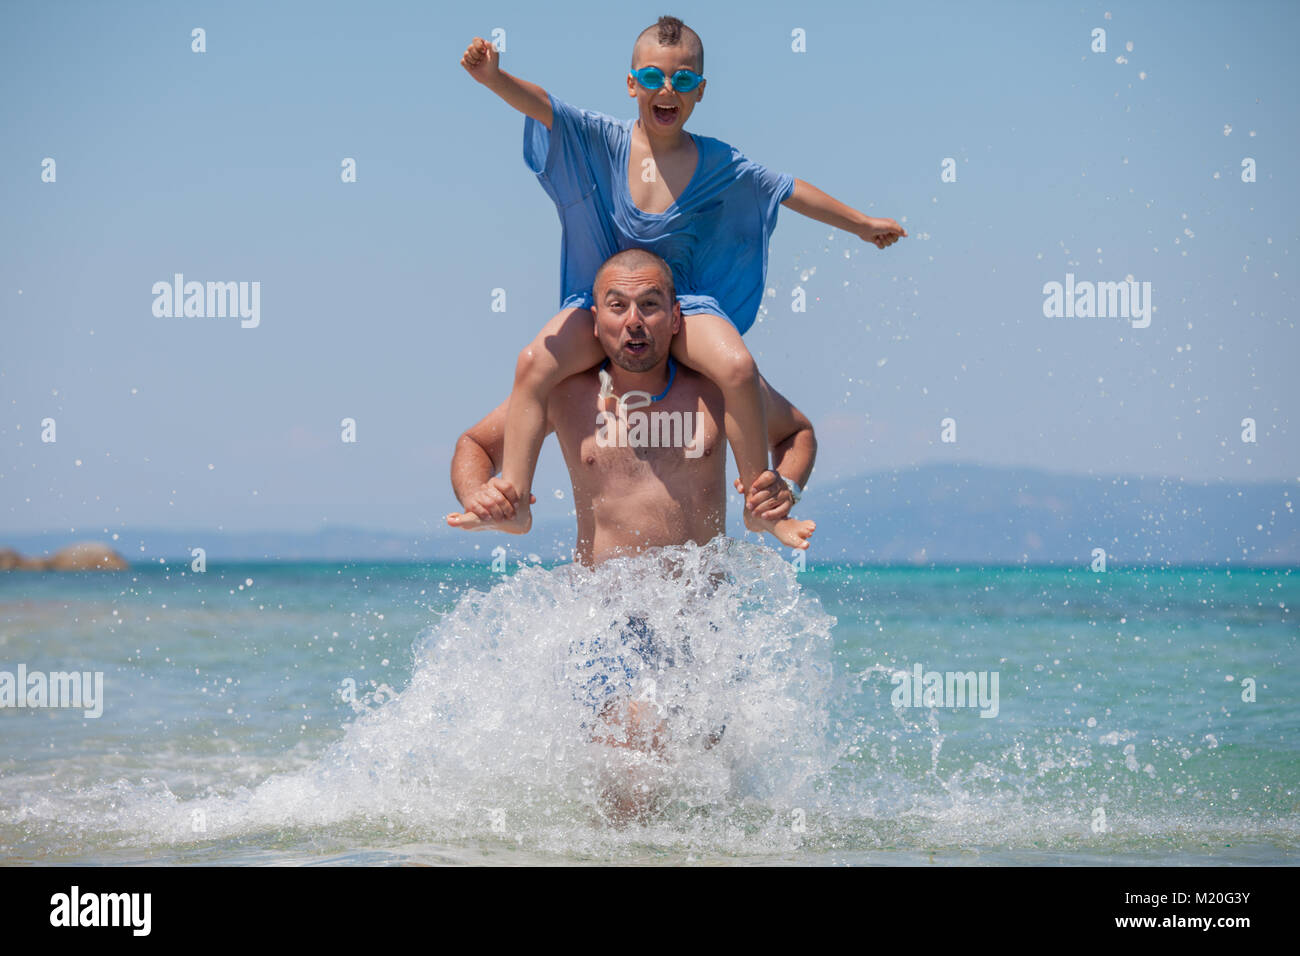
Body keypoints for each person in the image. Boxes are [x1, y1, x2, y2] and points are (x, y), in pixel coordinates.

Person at [455, 15, 903, 549]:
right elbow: (544, 107)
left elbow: (787, 189)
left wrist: (862, 225)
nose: (667, 89)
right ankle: (514, 499)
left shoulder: (716, 162)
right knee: (534, 362)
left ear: (700, 91)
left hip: (682, 304)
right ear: (631, 84)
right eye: (652, 77)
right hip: (598, 302)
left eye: (683, 80)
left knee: (737, 366)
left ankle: (761, 504)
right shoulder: (602, 138)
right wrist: (493, 80)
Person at [446, 249, 817, 822]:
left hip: (702, 617)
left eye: (649, 305)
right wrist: (479, 495)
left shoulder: (719, 391)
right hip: (605, 616)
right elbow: (474, 444)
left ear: (676, 318)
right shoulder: (563, 396)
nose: (633, 321)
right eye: (617, 307)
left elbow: (797, 432)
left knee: (703, 798)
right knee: (633, 771)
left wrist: (784, 488)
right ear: (595, 321)